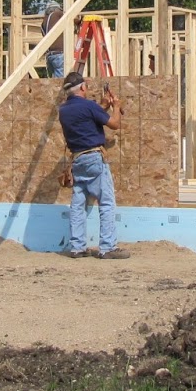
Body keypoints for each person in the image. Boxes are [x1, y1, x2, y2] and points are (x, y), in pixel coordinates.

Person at [57, 70, 129, 259]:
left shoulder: (64, 110)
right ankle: (107, 248)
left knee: (78, 205)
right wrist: (116, 107)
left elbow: (88, 117)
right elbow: (114, 124)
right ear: (82, 87)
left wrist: (103, 106)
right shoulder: (89, 106)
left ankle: (77, 247)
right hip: (94, 158)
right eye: (86, 86)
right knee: (106, 202)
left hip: (77, 160)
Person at [41, 3, 65, 78]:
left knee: (53, 82)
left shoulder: (43, 22)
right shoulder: (57, 14)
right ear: (56, 9)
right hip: (59, 54)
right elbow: (70, 16)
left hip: (50, 56)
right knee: (59, 82)